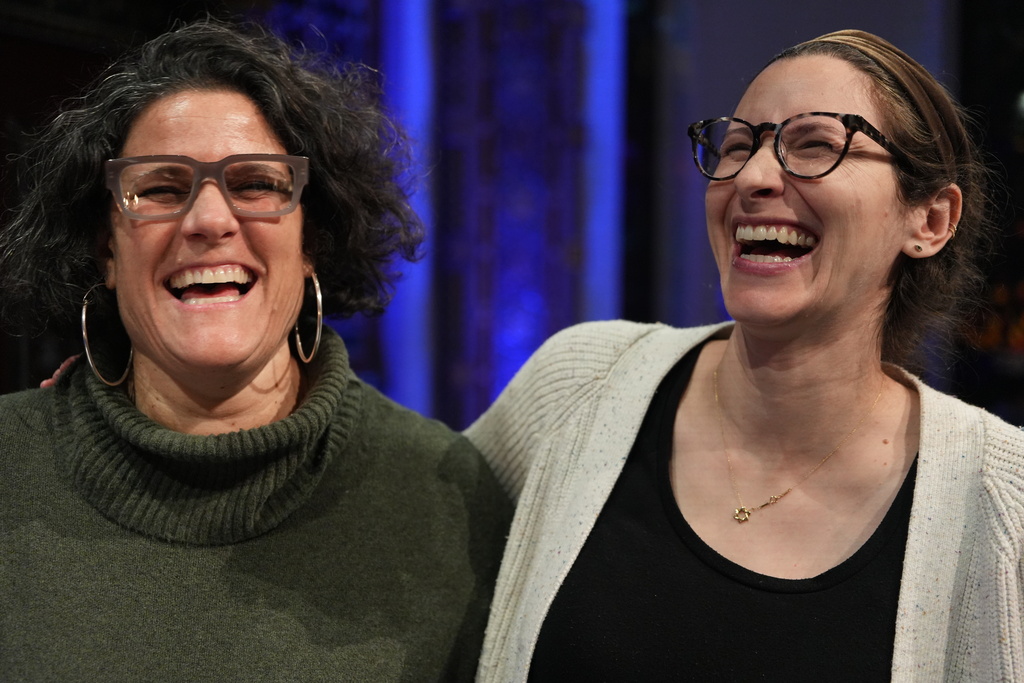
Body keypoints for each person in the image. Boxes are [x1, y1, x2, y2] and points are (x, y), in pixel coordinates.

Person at [468, 29, 1024, 681]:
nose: (754, 177)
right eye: (736, 145)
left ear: (929, 219)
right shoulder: (581, 382)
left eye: (816, 144)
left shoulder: (1000, 497)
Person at [0, 19, 511, 681]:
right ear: (105, 248)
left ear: (313, 242)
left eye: (256, 185)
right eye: (159, 189)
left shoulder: (449, 496)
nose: (210, 221)